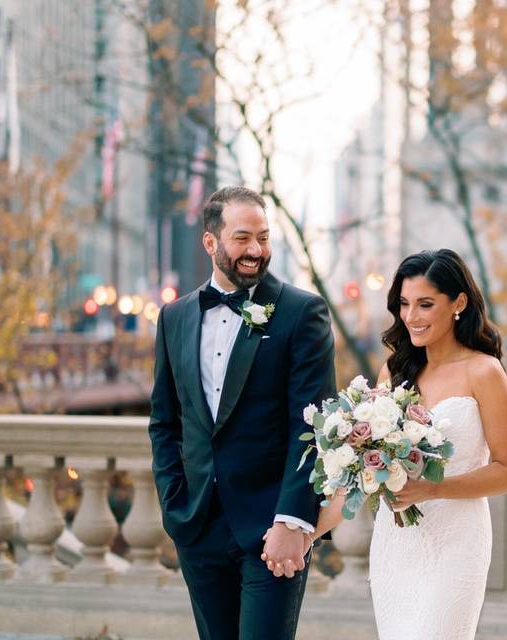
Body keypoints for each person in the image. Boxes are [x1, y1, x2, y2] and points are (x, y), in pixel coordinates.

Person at [148, 186, 335, 640]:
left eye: (264, 238)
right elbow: (165, 422)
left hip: (273, 533)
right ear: (210, 242)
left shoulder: (302, 312)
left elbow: (313, 427)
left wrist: (293, 521)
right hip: (198, 528)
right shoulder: (174, 317)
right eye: (242, 238)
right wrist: (175, 507)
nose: (256, 250)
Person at [310, 248, 507, 639]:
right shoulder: (393, 371)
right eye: (404, 304)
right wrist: (304, 533)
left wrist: (433, 489)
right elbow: (362, 471)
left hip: (457, 543)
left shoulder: (485, 372)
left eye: (425, 304)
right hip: (397, 542)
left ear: (459, 302)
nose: (411, 316)